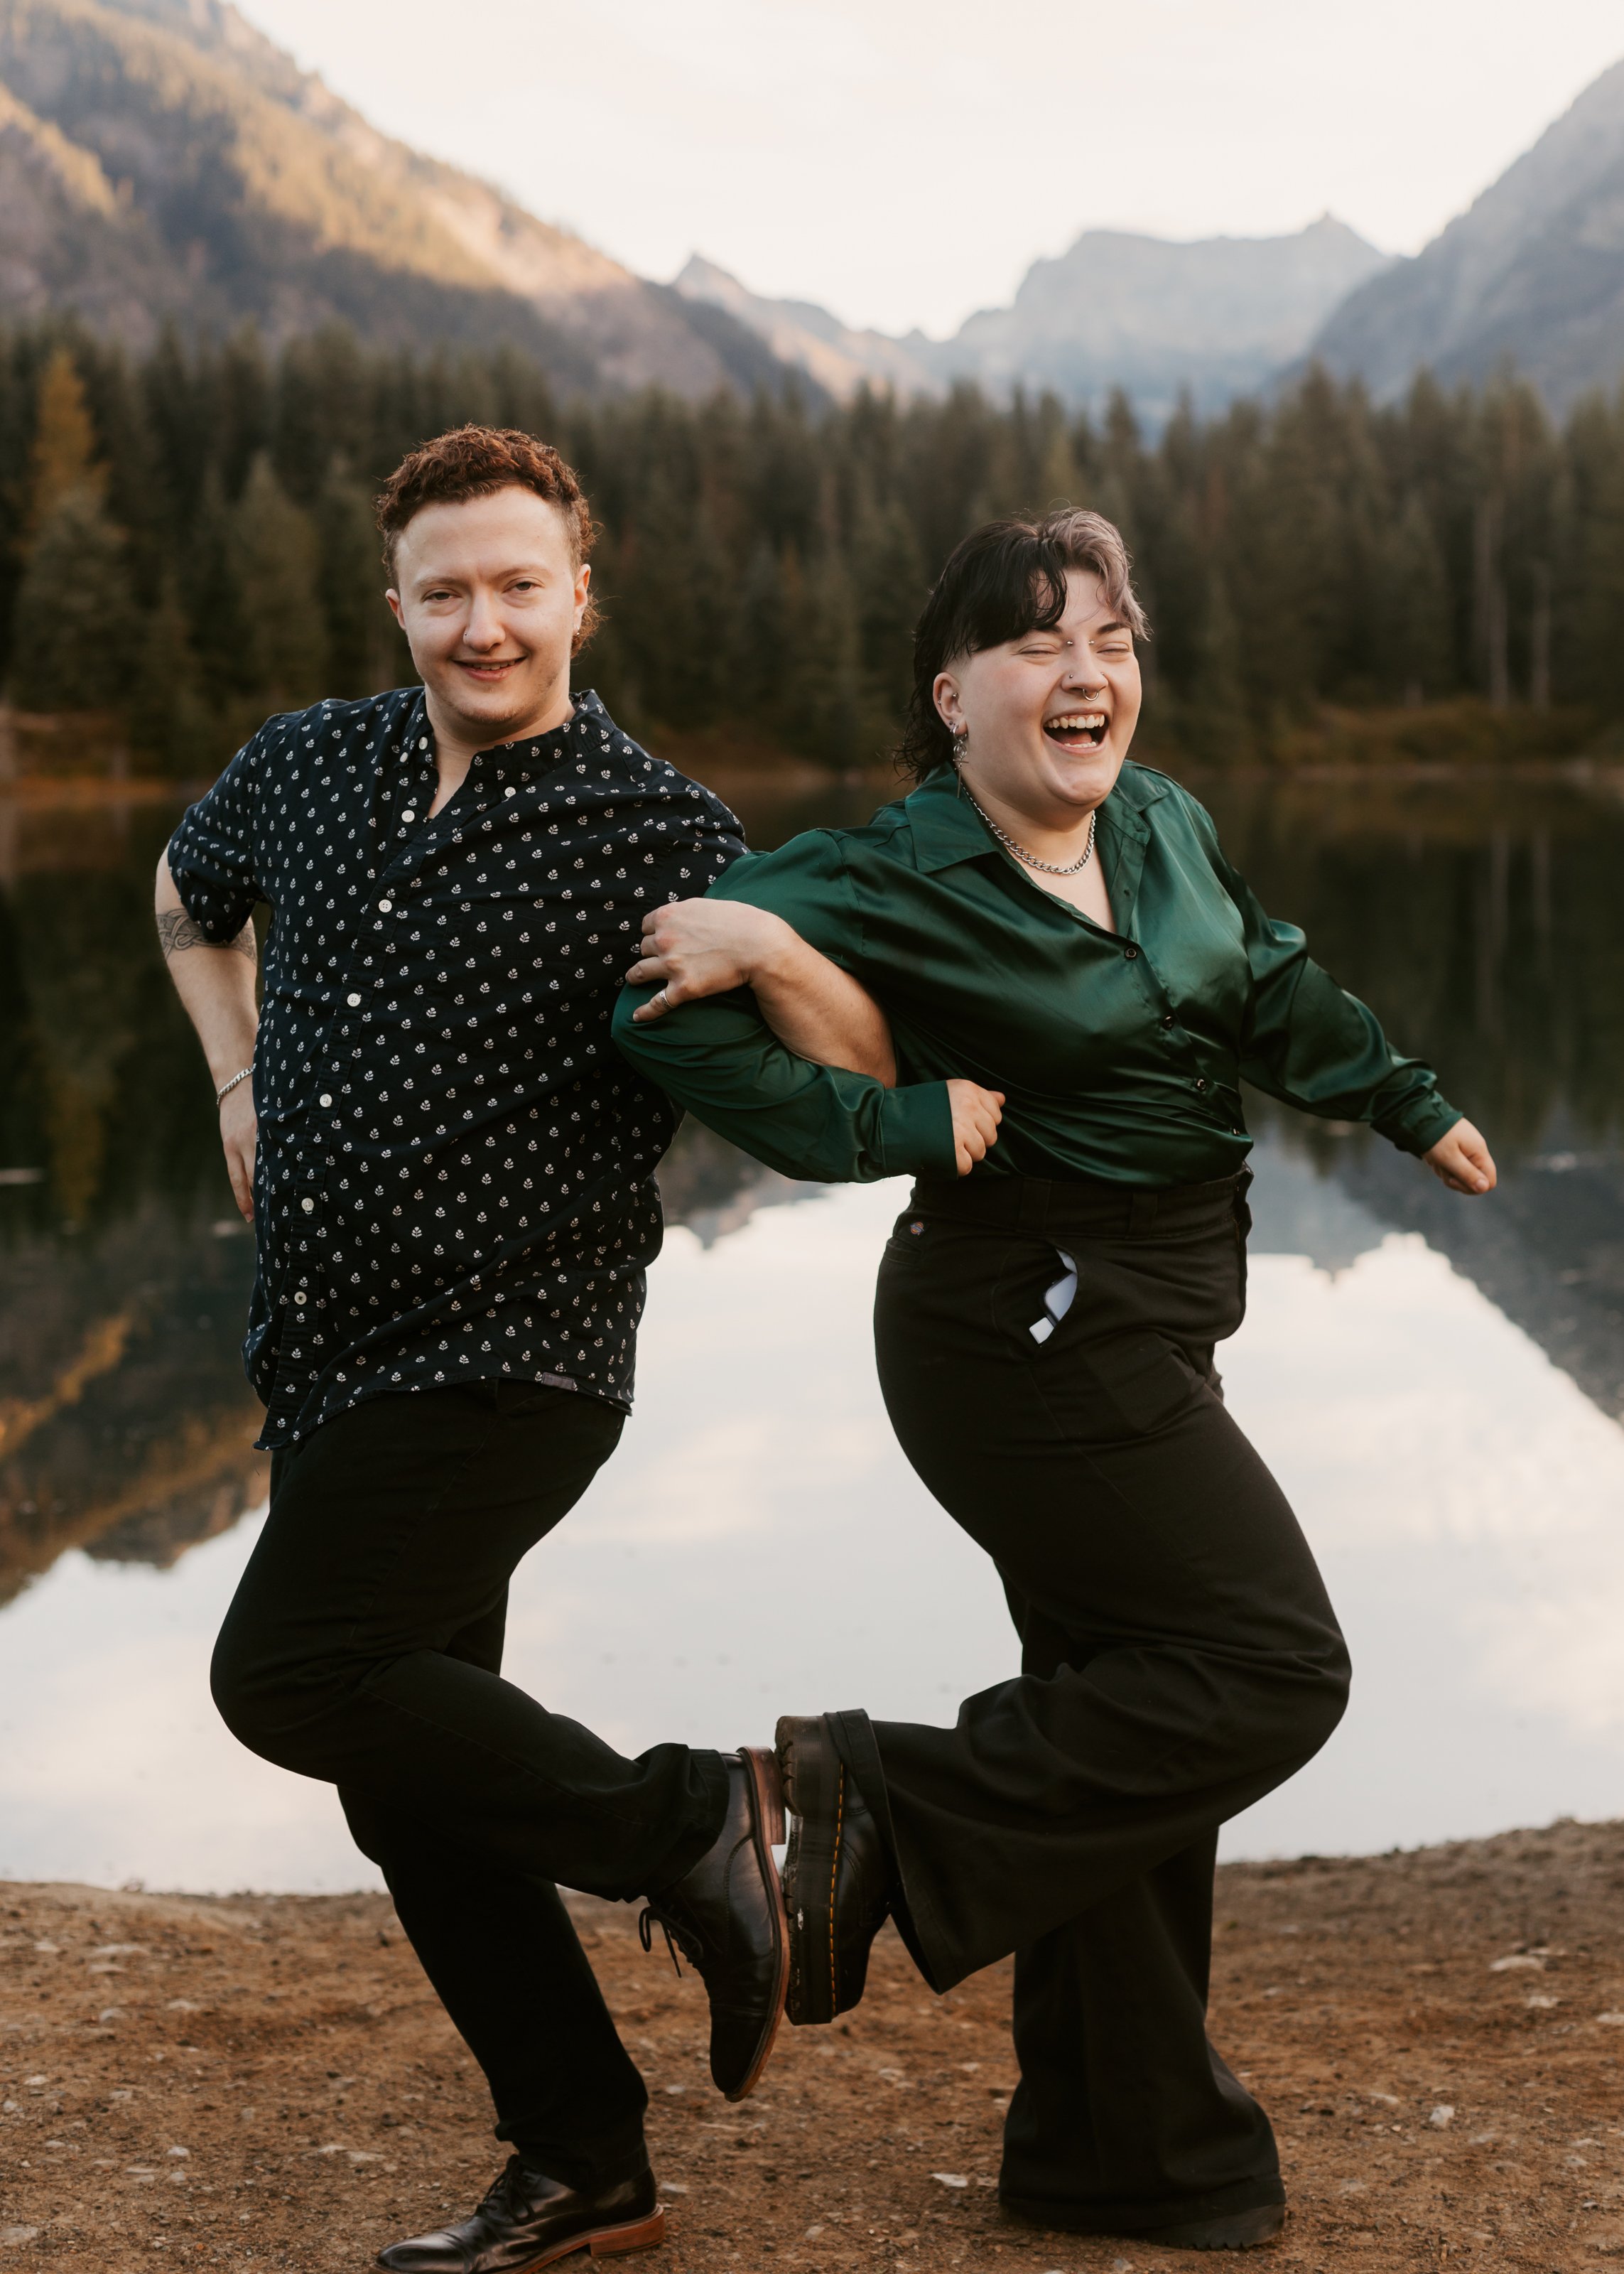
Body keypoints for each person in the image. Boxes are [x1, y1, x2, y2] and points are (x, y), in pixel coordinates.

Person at [612, 507, 1497, 2252]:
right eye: (1037, 642)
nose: (1086, 672)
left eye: (1113, 639)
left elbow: (1268, 978)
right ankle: (813, 1825)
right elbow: (662, 1001)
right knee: (1267, 1666)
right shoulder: (887, 871)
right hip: (1020, 1317)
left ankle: (1126, 2148)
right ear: (952, 695)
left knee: (1130, 1706)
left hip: (1151, 1302)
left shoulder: (1160, 824)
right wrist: (878, 1111)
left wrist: (1398, 1096)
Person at [153, 424, 919, 2273]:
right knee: (417, 1785)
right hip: (325, 1360)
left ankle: (707, 1828)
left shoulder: (648, 834)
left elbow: (855, 1071)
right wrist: (240, 1067)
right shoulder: (310, 767)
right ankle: (587, 2162)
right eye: (444, 592)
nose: (480, 624)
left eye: (516, 586)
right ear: (396, 603)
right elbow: (185, 897)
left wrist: (772, 946)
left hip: (511, 1357)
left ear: (579, 591)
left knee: (285, 1674)